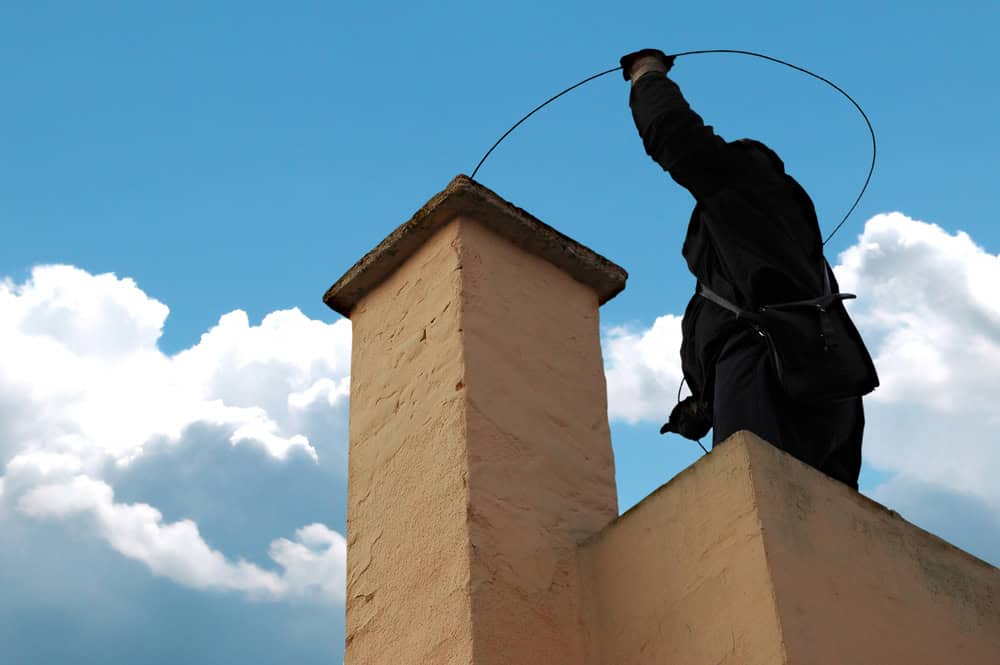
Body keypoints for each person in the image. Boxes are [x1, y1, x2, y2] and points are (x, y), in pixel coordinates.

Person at [621, 48, 869, 489]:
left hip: (766, 369)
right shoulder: (776, 240)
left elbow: (675, 136)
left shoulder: (745, 186)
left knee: (754, 496)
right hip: (811, 380)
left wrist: (646, 74)